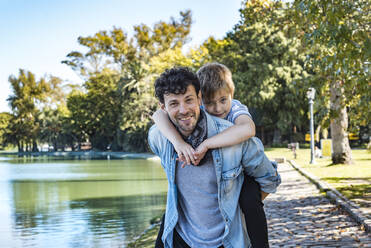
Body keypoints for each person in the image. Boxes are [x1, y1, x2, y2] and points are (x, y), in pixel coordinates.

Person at [148, 67, 281, 248]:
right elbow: (156, 121)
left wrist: (240, 208)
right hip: (183, 239)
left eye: (189, 100)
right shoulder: (161, 138)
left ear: (199, 98)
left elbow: (269, 179)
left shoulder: (235, 137)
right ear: (163, 107)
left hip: (227, 241)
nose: (183, 109)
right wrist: (178, 143)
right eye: (173, 104)